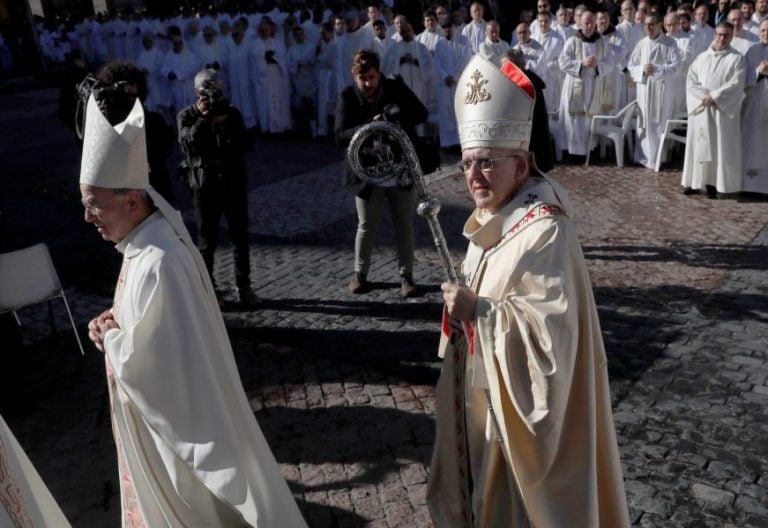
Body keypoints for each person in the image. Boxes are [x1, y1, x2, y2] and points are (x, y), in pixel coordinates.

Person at [79, 79, 307, 527]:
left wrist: (114, 340)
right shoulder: (143, 243)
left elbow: (162, 366)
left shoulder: (159, 260)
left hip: (178, 432)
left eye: (94, 206)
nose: (88, 218)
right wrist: (115, 324)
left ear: (130, 199)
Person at [427, 53, 630, 527]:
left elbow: (551, 342)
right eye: (467, 164)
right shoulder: (490, 218)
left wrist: (479, 310)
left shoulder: (546, 231)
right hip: (484, 400)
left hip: (519, 428)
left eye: (487, 164)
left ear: (521, 166)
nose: (474, 177)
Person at [335, 49, 428, 298]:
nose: (368, 84)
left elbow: (421, 113)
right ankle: (360, 274)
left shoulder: (394, 88)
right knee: (366, 224)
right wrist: (367, 127)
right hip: (366, 172)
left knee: (403, 224)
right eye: (363, 79)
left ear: (379, 73)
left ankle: (406, 276)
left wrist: (395, 116)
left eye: (373, 77)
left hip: (399, 169)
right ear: (354, 76)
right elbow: (338, 135)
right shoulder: (347, 96)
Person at [178, 69, 258, 303]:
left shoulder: (231, 113)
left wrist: (226, 125)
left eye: (217, 89)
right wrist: (203, 119)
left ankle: (244, 287)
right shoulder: (186, 115)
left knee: (240, 237)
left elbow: (243, 144)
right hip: (205, 185)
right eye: (207, 89)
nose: (213, 94)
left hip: (233, 182)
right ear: (196, 91)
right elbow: (188, 144)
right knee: (206, 241)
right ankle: (207, 291)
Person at [681, 21, 746, 197]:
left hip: (721, 112)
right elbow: (690, 81)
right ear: (714, 34)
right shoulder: (702, 57)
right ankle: (694, 183)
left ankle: (715, 185)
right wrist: (704, 96)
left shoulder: (737, 59)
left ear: (731, 36)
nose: (721, 38)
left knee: (719, 148)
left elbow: (737, 84)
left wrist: (715, 96)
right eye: (719, 34)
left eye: (726, 35)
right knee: (699, 145)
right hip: (702, 109)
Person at [558, 10, 620, 156]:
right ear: (580, 23)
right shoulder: (573, 41)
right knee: (574, 119)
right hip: (575, 84)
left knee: (588, 118)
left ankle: (588, 150)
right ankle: (571, 152)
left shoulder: (602, 42)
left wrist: (598, 65)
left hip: (594, 85)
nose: (590, 25)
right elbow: (563, 61)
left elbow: (611, 63)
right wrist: (581, 63)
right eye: (587, 22)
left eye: (592, 22)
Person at [627, 12, 682, 169]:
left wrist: (657, 69)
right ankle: (642, 157)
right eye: (646, 24)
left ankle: (657, 159)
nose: (648, 27)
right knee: (643, 122)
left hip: (661, 91)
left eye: (652, 24)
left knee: (658, 124)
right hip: (644, 89)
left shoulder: (670, 43)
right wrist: (642, 70)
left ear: (659, 25)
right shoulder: (642, 44)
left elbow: (677, 66)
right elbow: (631, 65)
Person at [741, 18, 768, 193]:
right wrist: (759, 71)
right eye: (763, 30)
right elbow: (743, 77)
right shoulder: (751, 50)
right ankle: (749, 185)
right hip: (754, 104)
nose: (766, 33)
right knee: (751, 141)